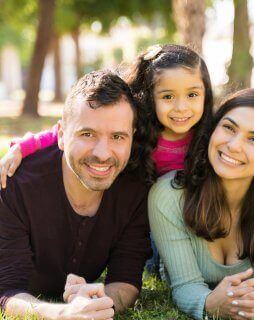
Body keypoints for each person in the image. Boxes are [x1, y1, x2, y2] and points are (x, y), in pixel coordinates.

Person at [0, 44, 214, 274]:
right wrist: (24, 146)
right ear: (150, 97)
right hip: (153, 227)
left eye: (192, 95)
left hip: (195, 219)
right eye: (168, 96)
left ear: (206, 95)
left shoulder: (210, 136)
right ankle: (162, 265)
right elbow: (69, 131)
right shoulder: (139, 129)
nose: (181, 107)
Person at [148, 88, 254, 320]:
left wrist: (244, 304)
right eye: (229, 127)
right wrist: (209, 303)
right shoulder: (169, 195)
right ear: (214, 129)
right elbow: (185, 285)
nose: (234, 145)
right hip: (159, 252)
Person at [0, 70, 151, 319]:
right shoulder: (14, 185)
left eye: (117, 137)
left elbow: (126, 280)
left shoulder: (134, 190)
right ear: (60, 135)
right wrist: (62, 314)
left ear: (132, 139)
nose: (103, 153)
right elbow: (6, 290)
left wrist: (97, 303)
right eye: (87, 134)